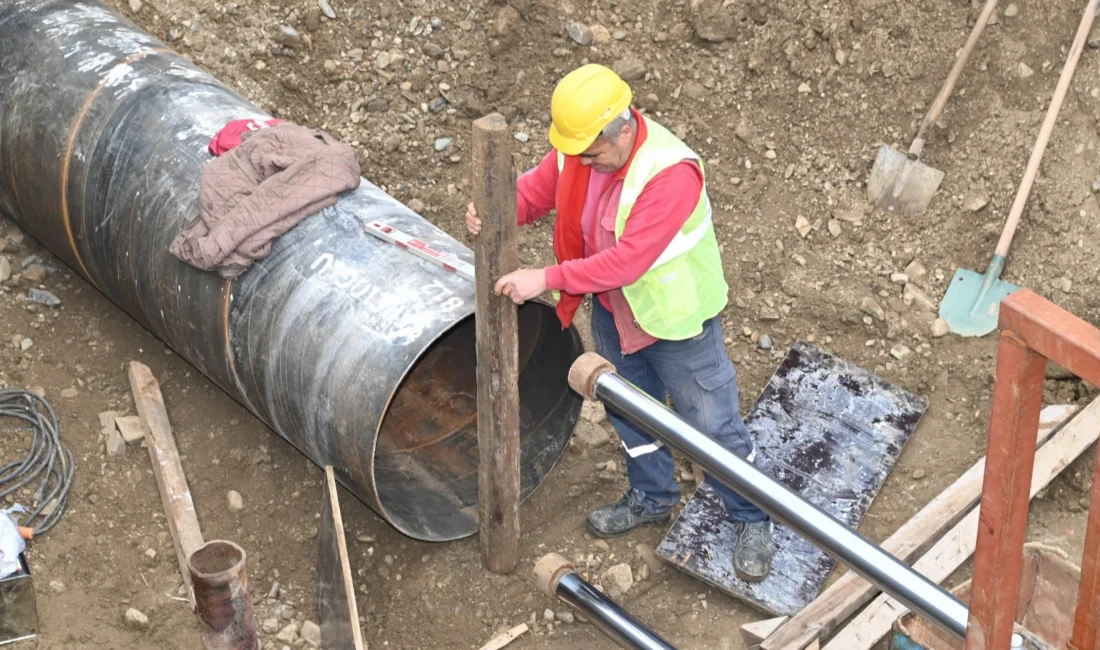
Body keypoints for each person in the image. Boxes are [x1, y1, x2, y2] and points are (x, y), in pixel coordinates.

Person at [464, 64, 774, 582]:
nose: (581, 163)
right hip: (615, 312)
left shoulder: (670, 173)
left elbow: (628, 260)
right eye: (577, 152)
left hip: (678, 327)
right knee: (632, 413)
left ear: (624, 130)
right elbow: (533, 194)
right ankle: (653, 496)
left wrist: (548, 277)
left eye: (591, 154)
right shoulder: (581, 150)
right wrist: (494, 211)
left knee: (712, 426)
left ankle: (752, 517)